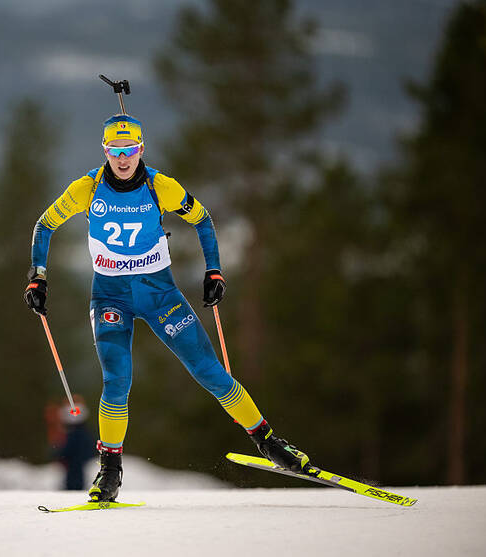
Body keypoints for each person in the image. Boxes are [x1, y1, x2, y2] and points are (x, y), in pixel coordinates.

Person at [23, 112, 310, 503]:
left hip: (160, 295)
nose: (123, 159)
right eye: (114, 150)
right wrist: (37, 276)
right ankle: (110, 469)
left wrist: (214, 272)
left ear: (141, 149)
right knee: (117, 379)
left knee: (210, 371)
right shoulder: (87, 189)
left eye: (130, 150)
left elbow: (203, 219)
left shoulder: (162, 187)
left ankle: (269, 442)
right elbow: (45, 224)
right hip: (110, 298)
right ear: (105, 151)